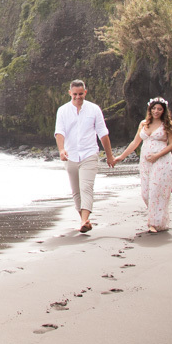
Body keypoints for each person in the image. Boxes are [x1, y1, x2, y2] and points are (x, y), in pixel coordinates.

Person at [110, 96, 172, 233]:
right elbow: (135, 143)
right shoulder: (143, 124)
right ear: (150, 109)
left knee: (155, 192)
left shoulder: (167, 125)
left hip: (162, 161)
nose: (156, 111)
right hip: (145, 162)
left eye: (159, 109)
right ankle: (160, 219)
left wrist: (157, 156)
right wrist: (121, 157)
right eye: (154, 108)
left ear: (164, 111)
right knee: (146, 193)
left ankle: (153, 223)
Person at [54, 79, 112, 233]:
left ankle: (84, 220)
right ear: (70, 93)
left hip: (89, 153)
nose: (78, 97)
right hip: (70, 155)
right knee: (76, 192)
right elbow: (60, 132)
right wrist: (61, 150)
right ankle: (84, 221)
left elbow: (103, 133)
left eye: (81, 94)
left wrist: (109, 156)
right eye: (75, 94)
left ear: (85, 92)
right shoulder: (63, 110)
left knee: (86, 187)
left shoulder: (94, 109)